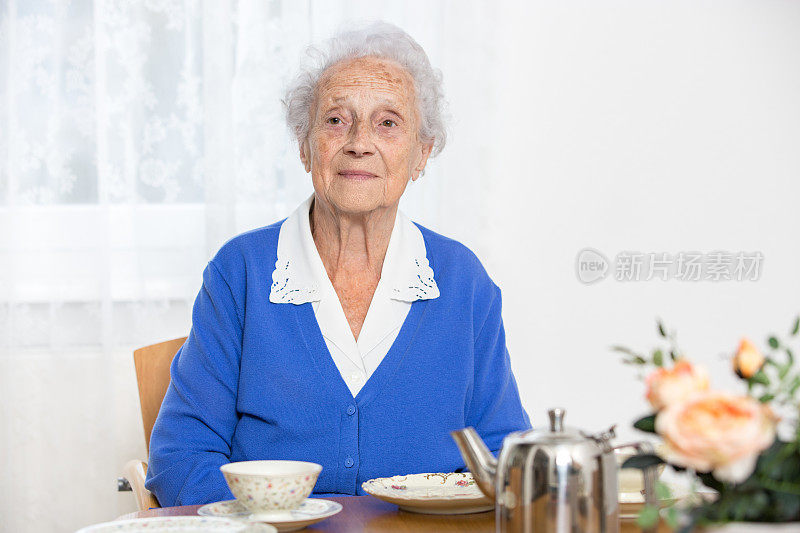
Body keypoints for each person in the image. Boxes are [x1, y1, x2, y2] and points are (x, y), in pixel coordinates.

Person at [145, 21, 530, 507]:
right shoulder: (240, 272)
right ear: (305, 147)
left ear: (421, 155)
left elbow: (505, 457)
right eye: (335, 120)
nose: (359, 142)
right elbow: (181, 455)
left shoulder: (462, 281)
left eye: (388, 122)